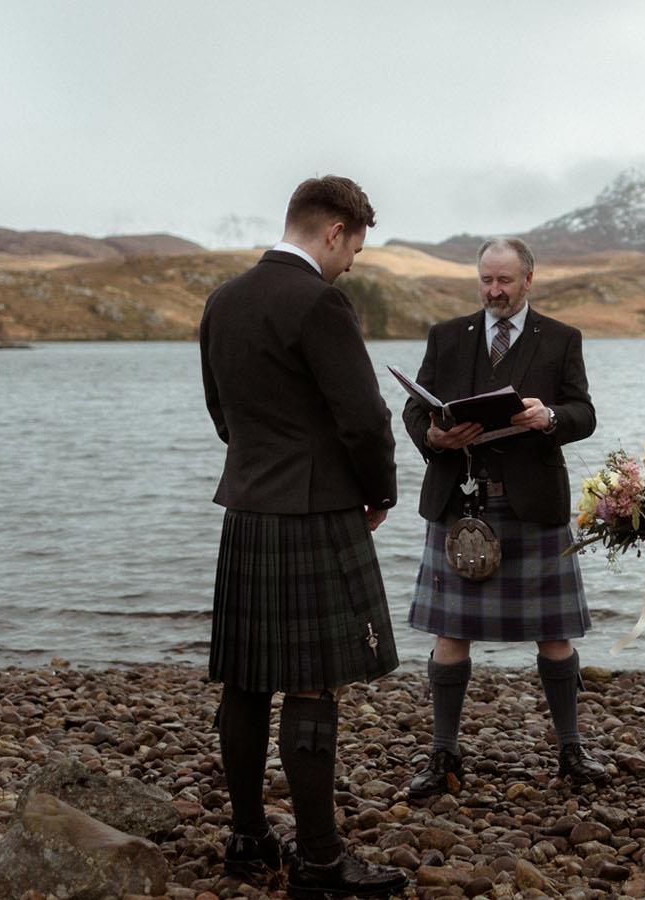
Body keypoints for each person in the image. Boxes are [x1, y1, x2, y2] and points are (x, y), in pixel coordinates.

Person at [199, 175, 408, 898]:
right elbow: (363, 418)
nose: (352, 262)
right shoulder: (321, 301)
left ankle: (248, 838)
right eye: (354, 246)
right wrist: (378, 490)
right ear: (331, 233)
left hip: (249, 508)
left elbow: (220, 412)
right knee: (313, 684)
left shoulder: (223, 300)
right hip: (315, 512)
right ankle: (320, 861)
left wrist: (264, 463)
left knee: (247, 682)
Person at [401, 236, 607, 797]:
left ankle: (572, 750)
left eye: (504, 282)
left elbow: (584, 413)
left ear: (528, 280)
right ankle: (443, 755)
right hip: (460, 501)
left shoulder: (561, 338)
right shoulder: (448, 336)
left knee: (555, 632)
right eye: (486, 281)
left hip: (533, 505)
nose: (494, 291)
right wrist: (433, 434)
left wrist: (550, 417)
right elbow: (415, 407)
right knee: (450, 631)